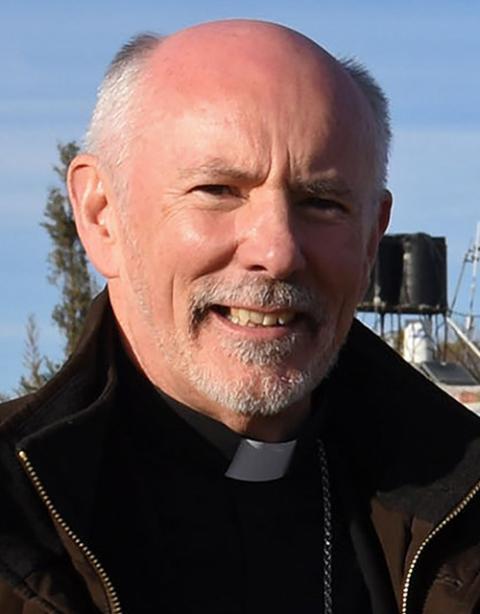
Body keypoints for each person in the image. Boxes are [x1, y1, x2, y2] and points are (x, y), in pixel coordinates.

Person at [1, 19, 480, 614]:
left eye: (322, 202)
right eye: (218, 190)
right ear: (102, 216)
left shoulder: (467, 513)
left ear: (370, 238)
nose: (276, 251)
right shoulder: (15, 521)